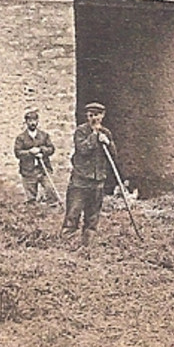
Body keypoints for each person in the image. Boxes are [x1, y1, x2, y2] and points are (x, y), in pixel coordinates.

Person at [65, 102, 115, 245]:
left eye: (97, 115)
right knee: (73, 214)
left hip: (98, 181)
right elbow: (83, 150)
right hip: (80, 182)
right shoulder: (81, 131)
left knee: (92, 218)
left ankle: (87, 247)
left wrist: (108, 142)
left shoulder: (106, 133)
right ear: (87, 116)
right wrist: (94, 136)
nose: (94, 118)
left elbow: (114, 156)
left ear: (103, 115)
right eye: (91, 115)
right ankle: (67, 246)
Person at [13, 109, 58, 204]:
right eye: (30, 121)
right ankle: (33, 214)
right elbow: (18, 153)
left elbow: (51, 149)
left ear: (37, 121)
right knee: (31, 198)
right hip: (28, 171)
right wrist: (30, 152)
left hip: (43, 169)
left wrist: (41, 150)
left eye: (34, 120)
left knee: (50, 190)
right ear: (26, 122)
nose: (32, 123)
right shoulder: (21, 138)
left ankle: (50, 211)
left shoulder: (44, 135)